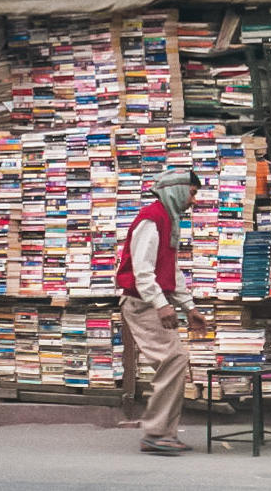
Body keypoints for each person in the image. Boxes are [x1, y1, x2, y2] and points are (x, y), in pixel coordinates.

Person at [117, 169, 207, 456]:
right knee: (173, 359)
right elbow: (143, 270)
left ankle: (164, 432)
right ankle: (156, 432)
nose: (193, 201)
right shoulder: (152, 218)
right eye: (192, 193)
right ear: (179, 190)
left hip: (152, 301)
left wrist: (189, 306)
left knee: (175, 360)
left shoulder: (168, 219)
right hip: (142, 303)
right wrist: (161, 303)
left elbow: (171, 270)